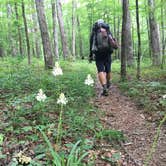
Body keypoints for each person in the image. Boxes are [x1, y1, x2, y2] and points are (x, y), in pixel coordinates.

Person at [89, 19, 115, 96]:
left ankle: (104, 88)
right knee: (108, 70)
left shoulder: (95, 31)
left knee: (100, 70)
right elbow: (112, 40)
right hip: (108, 52)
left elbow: (91, 44)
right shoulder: (107, 29)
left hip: (98, 53)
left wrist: (91, 55)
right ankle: (108, 82)